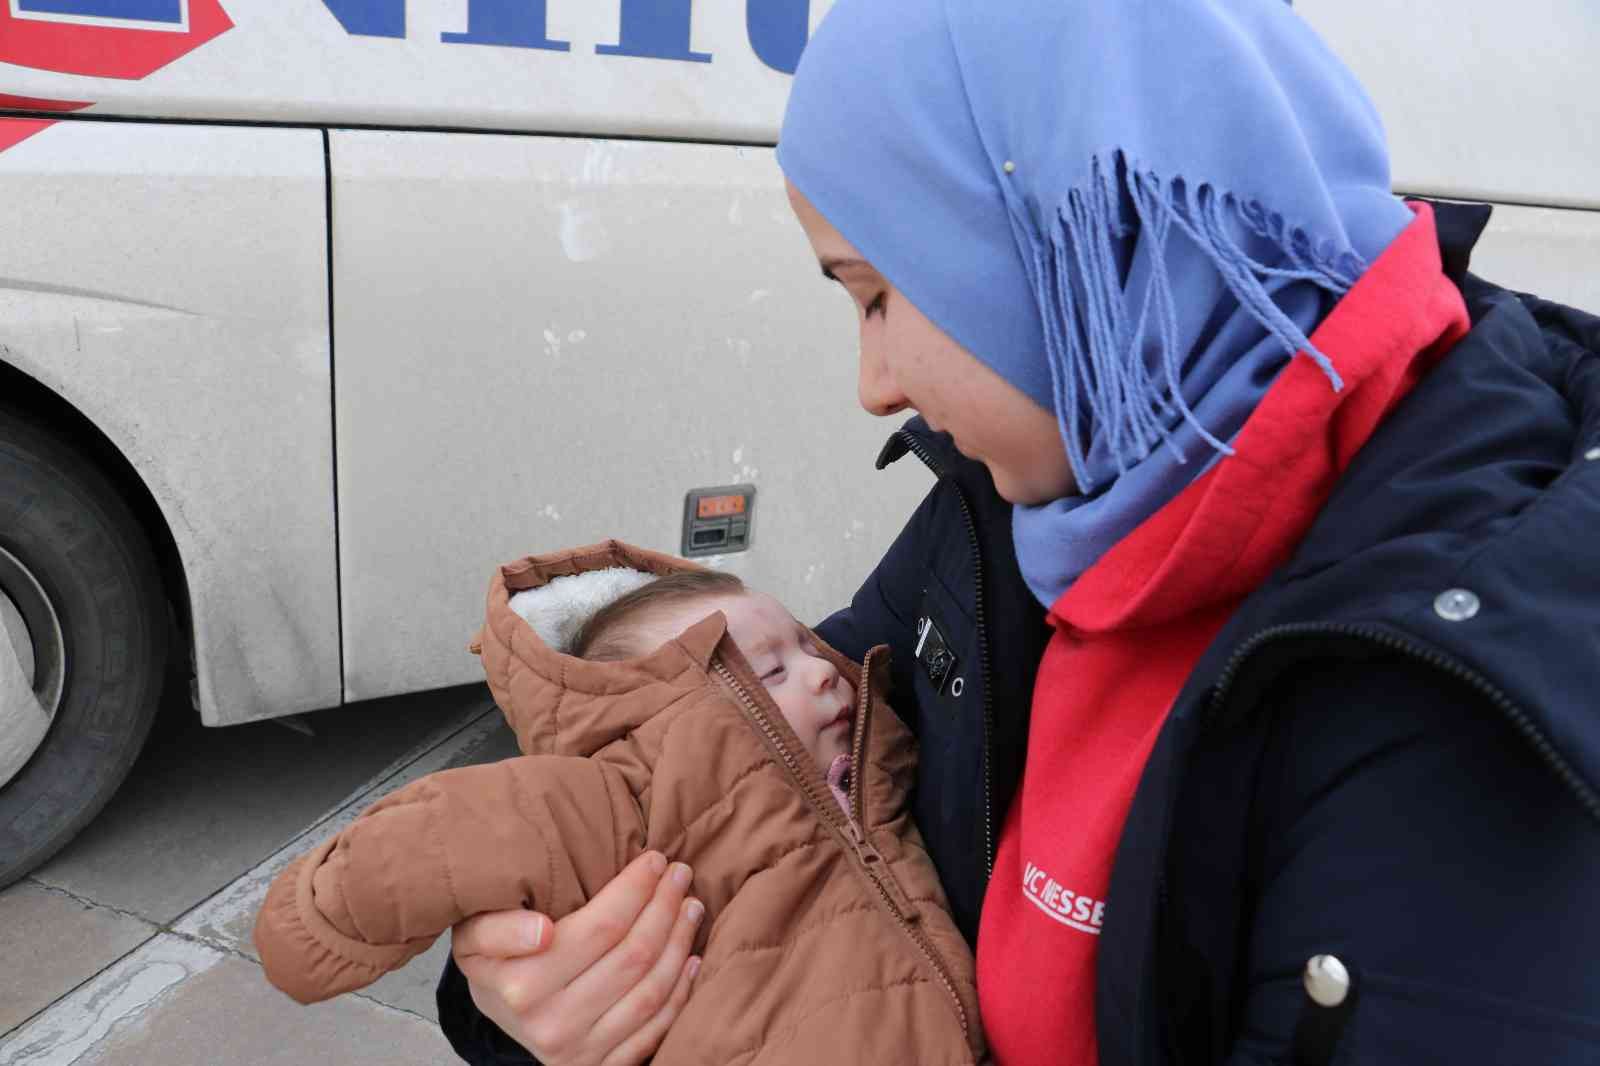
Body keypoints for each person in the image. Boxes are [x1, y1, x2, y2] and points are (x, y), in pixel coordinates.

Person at [439, 2, 1600, 1064]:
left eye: (876, 295)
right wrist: (530, 984)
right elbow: (748, 758)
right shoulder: (1038, 492)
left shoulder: (1469, 690)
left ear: (1053, 247)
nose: (873, 382)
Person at [255, 542, 984, 1064]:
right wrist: (315, 924)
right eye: (769, 668)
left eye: (808, 647)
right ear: (649, 721)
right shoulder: (629, 796)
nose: (825, 674)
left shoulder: (879, 774)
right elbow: (448, 834)